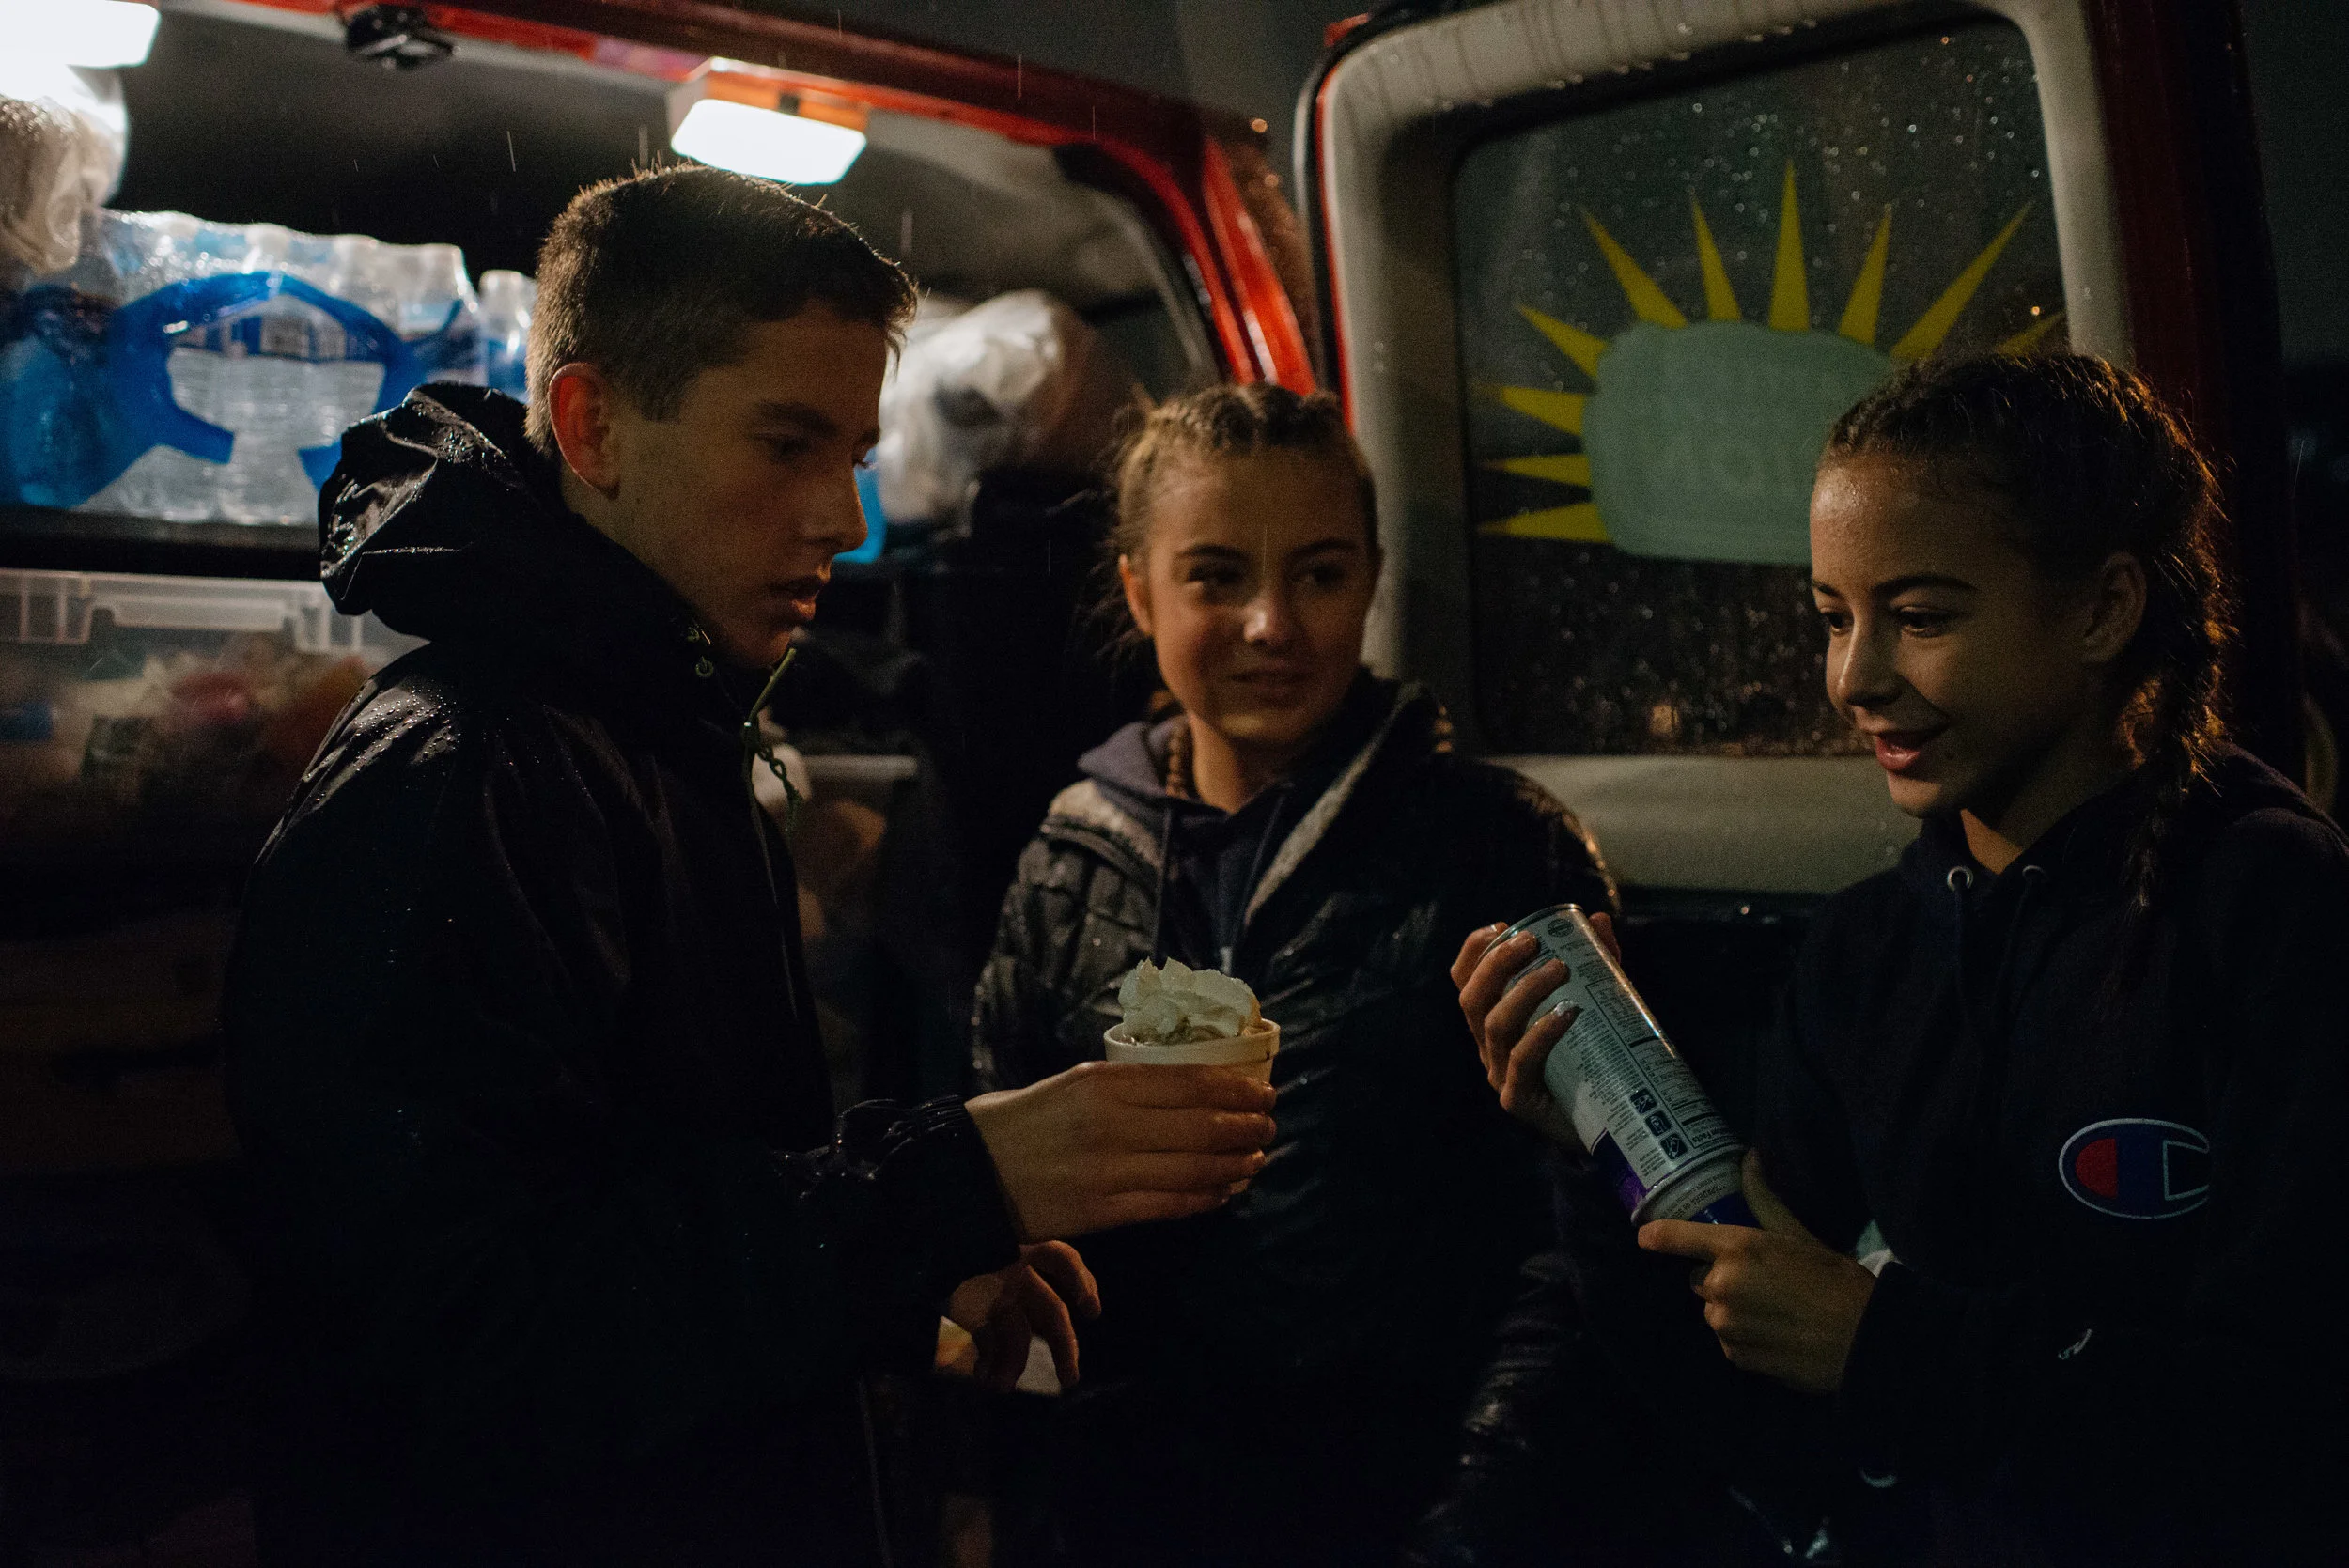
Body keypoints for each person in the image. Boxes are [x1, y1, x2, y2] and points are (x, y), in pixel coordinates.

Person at [224, 167, 1277, 1567]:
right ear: (594, 423)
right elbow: (472, 1339)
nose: (845, 519)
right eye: (786, 443)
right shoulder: (467, 768)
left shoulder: (658, 726)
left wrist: (905, 1276)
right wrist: (949, 1185)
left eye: (852, 452)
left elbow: (663, 1193)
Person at [1455, 353, 2349, 1563]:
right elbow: (1751, 1412)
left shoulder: (2270, 908)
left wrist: (1887, 1344)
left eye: (1920, 616)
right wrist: (1598, 1157)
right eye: (1833, 617)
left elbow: (2288, 1420)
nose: (1854, 678)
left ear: (2102, 608)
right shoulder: (1865, 951)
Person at [970, 383, 1617, 1566]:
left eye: (1318, 573)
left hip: (1404, 1504)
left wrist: (1478, 1526)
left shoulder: (1494, 849)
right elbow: (991, 1223)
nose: (1272, 624)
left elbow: (1579, 1241)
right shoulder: (1068, 859)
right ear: (1137, 588)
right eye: (1216, 575)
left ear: (1371, 576)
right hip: (1120, 1516)